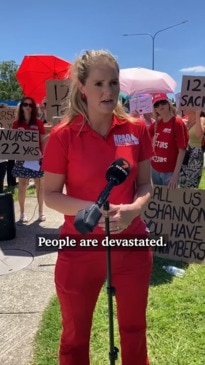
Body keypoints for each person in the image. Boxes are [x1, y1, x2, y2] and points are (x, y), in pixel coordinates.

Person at [42, 49, 154, 365]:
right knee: (75, 336)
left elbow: (146, 184)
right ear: (82, 87)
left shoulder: (137, 129)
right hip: (79, 249)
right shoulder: (63, 136)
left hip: (132, 245)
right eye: (99, 83)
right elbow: (51, 194)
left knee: (134, 330)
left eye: (114, 82)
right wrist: (94, 209)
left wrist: (134, 208)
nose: (108, 91)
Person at [12, 96, 46, 222]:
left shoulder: (38, 123)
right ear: (21, 107)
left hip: (37, 158)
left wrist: (42, 153)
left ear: (34, 108)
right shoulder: (16, 124)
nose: (27, 107)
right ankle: (22, 213)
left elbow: (42, 140)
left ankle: (41, 212)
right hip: (22, 159)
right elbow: (13, 142)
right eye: (25, 104)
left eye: (30, 105)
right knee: (22, 185)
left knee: (40, 185)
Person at [149, 93, 188, 189]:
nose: (160, 106)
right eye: (156, 104)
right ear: (155, 109)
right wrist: (135, 118)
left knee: (170, 202)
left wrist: (175, 175)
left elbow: (182, 150)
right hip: (154, 169)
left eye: (162, 102)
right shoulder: (156, 124)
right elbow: (143, 136)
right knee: (157, 202)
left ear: (168, 104)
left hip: (169, 172)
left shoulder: (177, 123)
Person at [179, 109, 205, 188]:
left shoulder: (202, 119)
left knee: (192, 184)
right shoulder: (183, 119)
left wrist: (197, 115)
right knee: (182, 181)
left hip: (195, 154)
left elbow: (198, 135)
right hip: (184, 153)